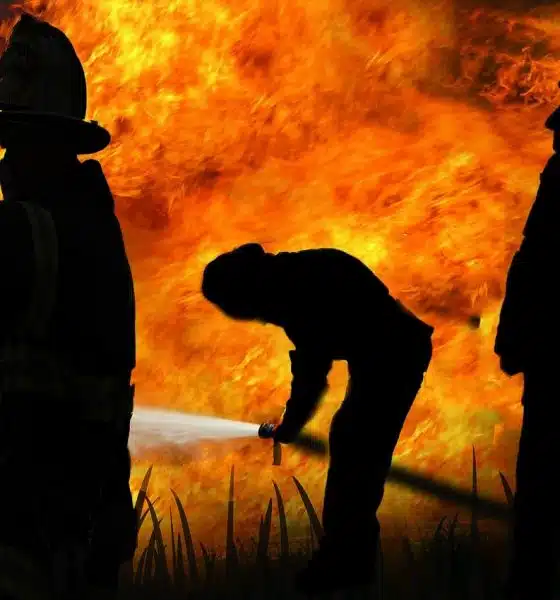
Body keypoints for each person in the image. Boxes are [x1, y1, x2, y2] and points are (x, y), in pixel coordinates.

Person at [202, 243, 434, 595]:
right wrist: (292, 422)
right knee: (351, 441)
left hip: (395, 354)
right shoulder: (296, 275)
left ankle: (346, 563)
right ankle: (347, 557)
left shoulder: (298, 289)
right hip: (385, 353)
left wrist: (291, 425)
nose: (259, 318)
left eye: (247, 310)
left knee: (356, 448)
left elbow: (312, 372)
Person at [0, 13, 137, 599]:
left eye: (15, 141)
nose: (6, 161)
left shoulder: (30, 234)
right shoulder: (92, 229)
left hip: (27, 539)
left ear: (48, 148)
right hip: (75, 533)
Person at [495, 91, 560, 600]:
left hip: (553, 355)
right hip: (548, 353)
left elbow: (535, 260)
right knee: (540, 490)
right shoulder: (558, 176)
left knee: (542, 488)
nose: (554, 140)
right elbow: (532, 259)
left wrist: (515, 338)